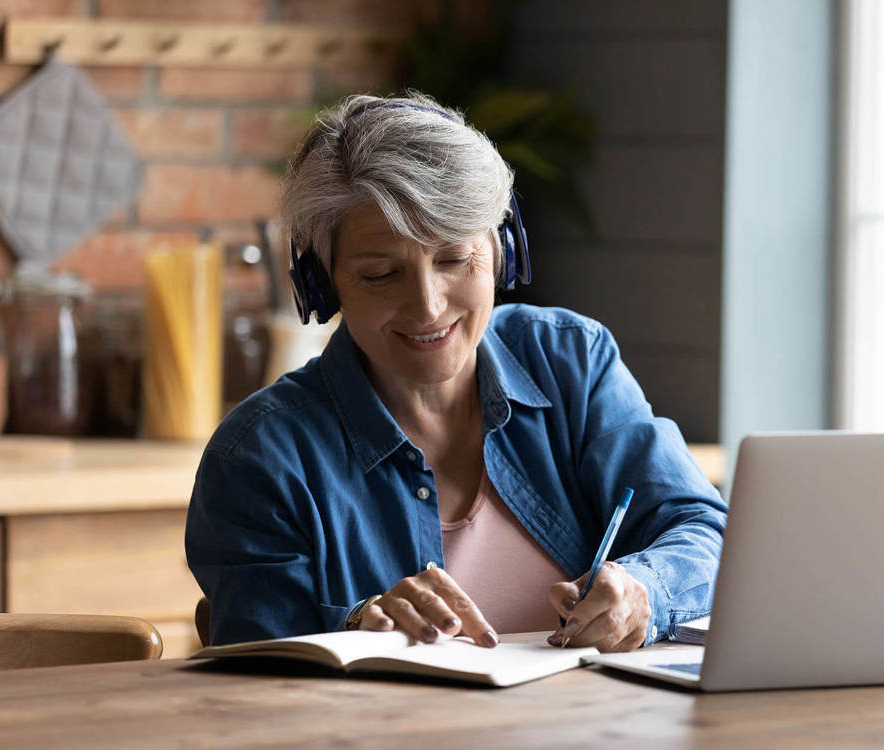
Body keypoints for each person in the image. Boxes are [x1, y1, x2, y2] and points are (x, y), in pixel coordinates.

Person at [185, 92, 727, 652]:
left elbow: (703, 530)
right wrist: (357, 627)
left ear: (499, 250)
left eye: (453, 260)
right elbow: (258, 683)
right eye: (379, 275)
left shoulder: (570, 360)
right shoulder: (261, 456)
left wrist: (646, 588)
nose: (428, 306)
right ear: (326, 285)